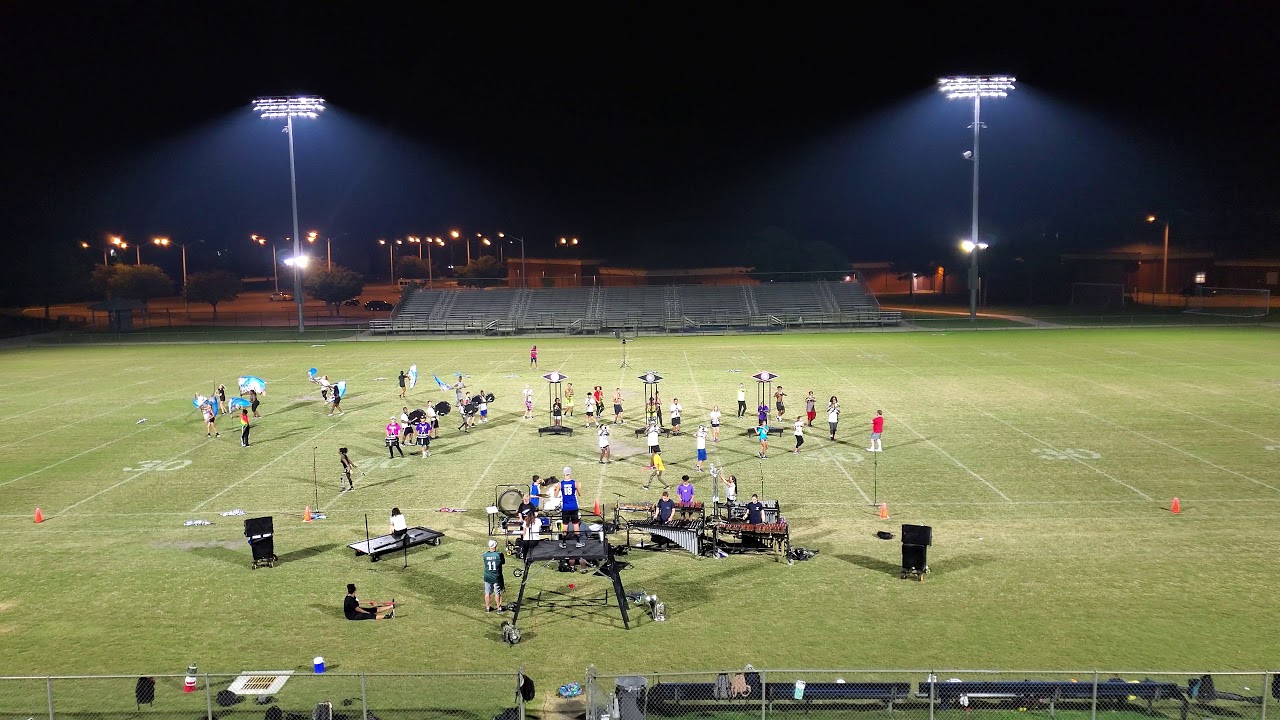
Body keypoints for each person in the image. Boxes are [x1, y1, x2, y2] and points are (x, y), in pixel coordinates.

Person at [557, 467, 583, 548]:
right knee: (575, 524)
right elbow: (580, 494)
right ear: (570, 473)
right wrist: (579, 487)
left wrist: (556, 489)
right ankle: (578, 542)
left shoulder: (560, 484)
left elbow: (555, 494)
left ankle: (564, 543)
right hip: (574, 506)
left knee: (565, 524)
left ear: (563, 473)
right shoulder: (574, 482)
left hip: (565, 507)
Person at [483, 539, 506, 613]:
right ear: (495, 545)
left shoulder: (485, 555)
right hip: (496, 577)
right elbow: (503, 562)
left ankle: (487, 607)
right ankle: (499, 608)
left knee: (487, 593)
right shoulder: (499, 554)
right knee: (497, 593)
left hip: (487, 576)